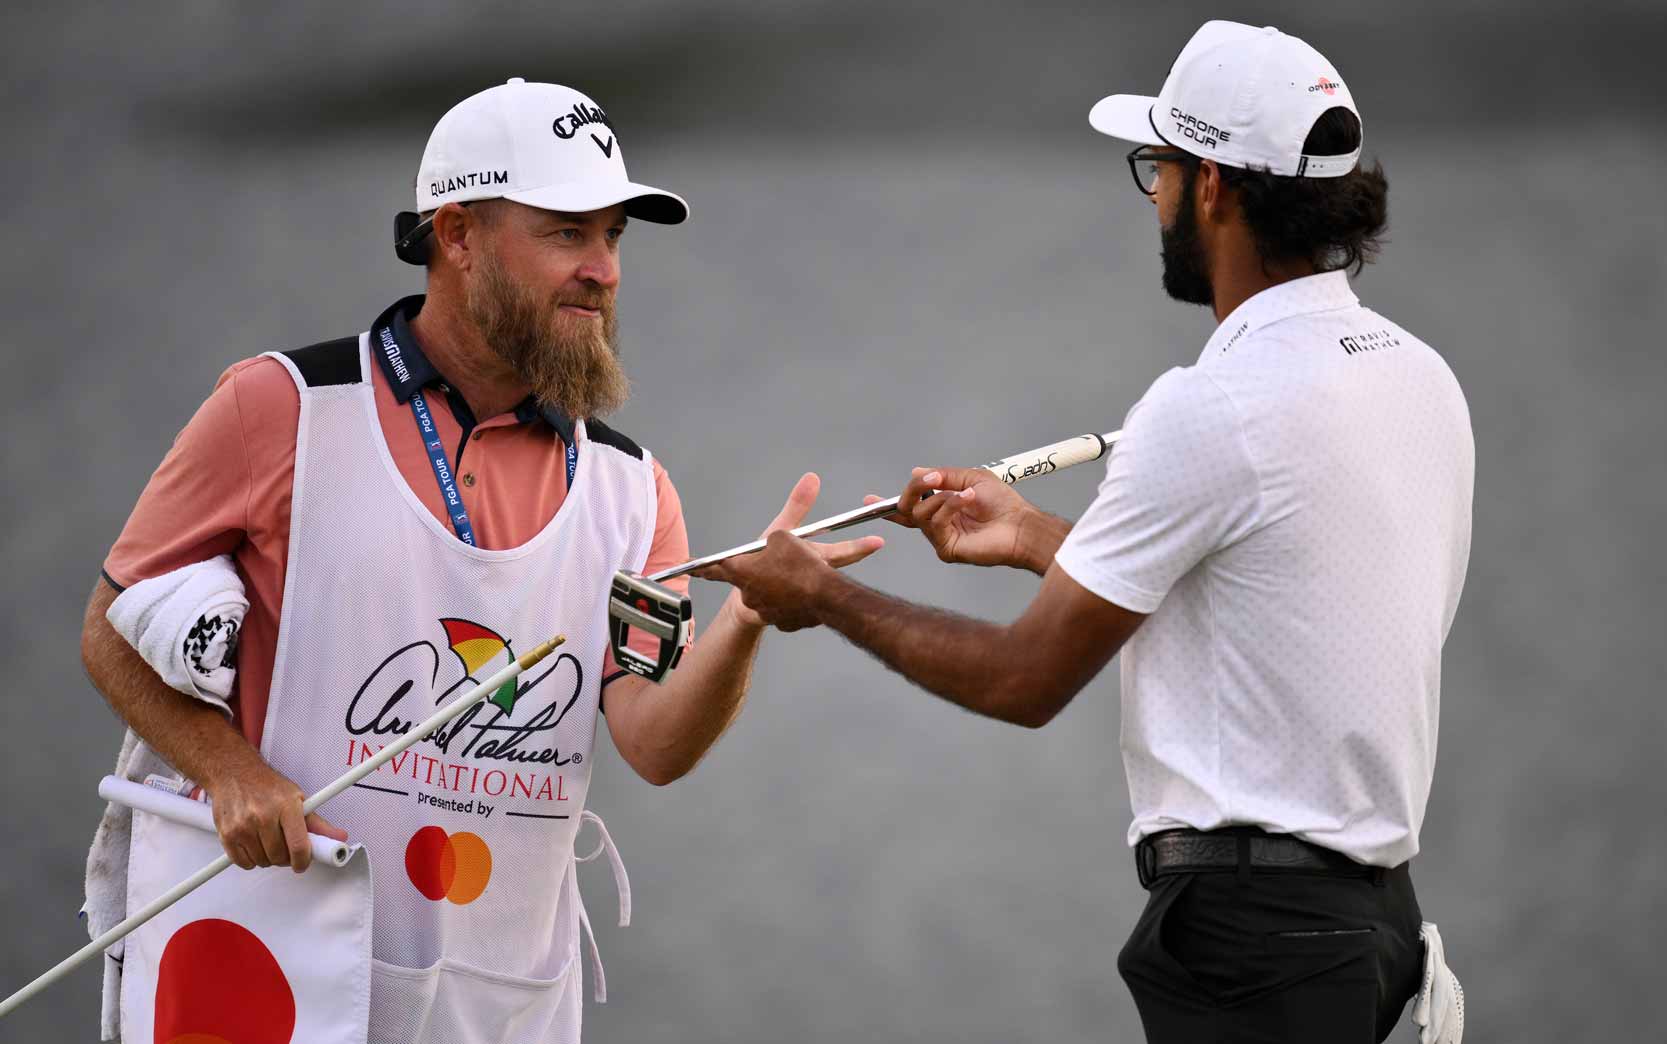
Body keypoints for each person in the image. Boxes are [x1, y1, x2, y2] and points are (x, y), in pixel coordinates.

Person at [697, 22, 1472, 1044]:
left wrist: (822, 596)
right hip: (1379, 930)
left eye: (1157, 167)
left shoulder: (1208, 405)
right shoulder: (1418, 375)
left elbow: (1023, 682)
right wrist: (1026, 535)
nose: (1151, 197)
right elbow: (1271, 612)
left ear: (1210, 187)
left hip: (1255, 949)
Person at [79, 78, 880, 1042]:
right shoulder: (281, 408)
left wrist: (750, 621)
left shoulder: (633, 491)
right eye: (566, 233)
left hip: (503, 1008)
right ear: (457, 234)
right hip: (277, 981)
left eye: (614, 237)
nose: (604, 270)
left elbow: (655, 743)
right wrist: (228, 770)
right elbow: (109, 627)